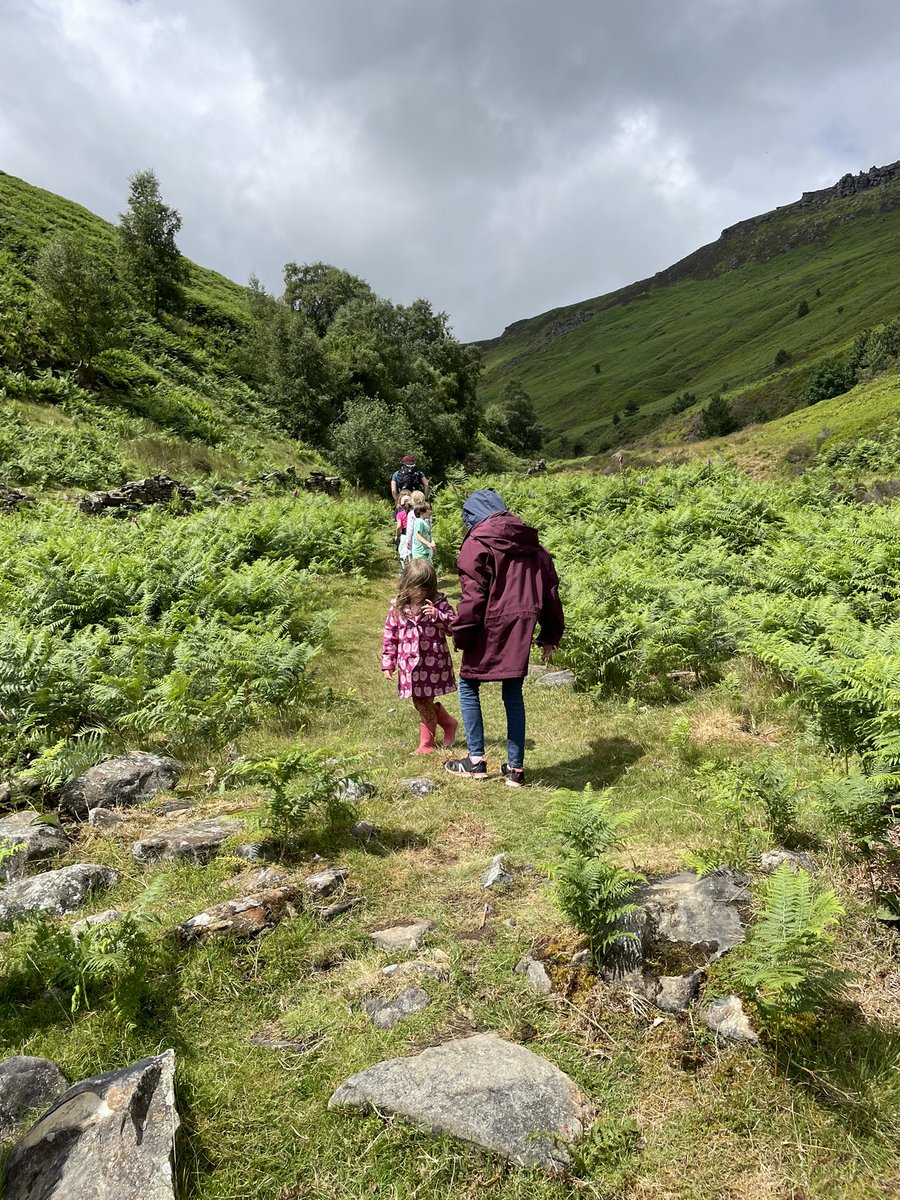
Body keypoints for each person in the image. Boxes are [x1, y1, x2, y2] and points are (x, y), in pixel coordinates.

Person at [444, 488, 564, 787]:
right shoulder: (535, 547)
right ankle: (515, 770)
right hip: (520, 630)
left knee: (469, 685)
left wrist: (462, 633)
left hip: (487, 627)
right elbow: (551, 595)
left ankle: (475, 761)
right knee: (513, 694)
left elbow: (473, 598)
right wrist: (550, 634)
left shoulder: (477, 543)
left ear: (473, 516)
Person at [381, 559, 459, 754]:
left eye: (424, 589)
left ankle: (427, 744)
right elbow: (391, 636)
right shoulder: (398, 608)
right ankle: (448, 723)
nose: (419, 593)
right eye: (415, 588)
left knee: (423, 701)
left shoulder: (439, 604)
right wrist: (388, 664)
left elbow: (453, 627)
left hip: (432, 663)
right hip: (409, 666)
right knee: (419, 701)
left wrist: (437, 615)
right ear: (406, 585)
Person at [395, 491, 413, 567]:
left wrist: (397, 535)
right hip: (412, 535)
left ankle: (403, 570)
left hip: (404, 534)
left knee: (402, 553)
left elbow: (399, 526)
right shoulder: (414, 514)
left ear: (401, 505)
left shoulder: (400, 514)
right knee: (411, 554)